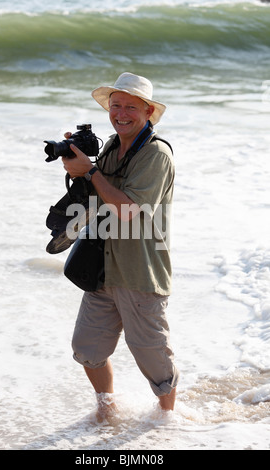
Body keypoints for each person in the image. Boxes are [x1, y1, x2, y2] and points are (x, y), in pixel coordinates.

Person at [62, 72, 179, 420]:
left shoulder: (156, 155)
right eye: (116, 106)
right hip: (102, 268)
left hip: (139, 272)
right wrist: (77, 167)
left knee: (153, 359)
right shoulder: (111, 146)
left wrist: (91, 172)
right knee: (86, 349)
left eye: (131, 107)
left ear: (147, 112)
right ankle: (106, 409)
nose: (121, 113)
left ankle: (167, 425)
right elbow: (95, 198)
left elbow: (128, 210)